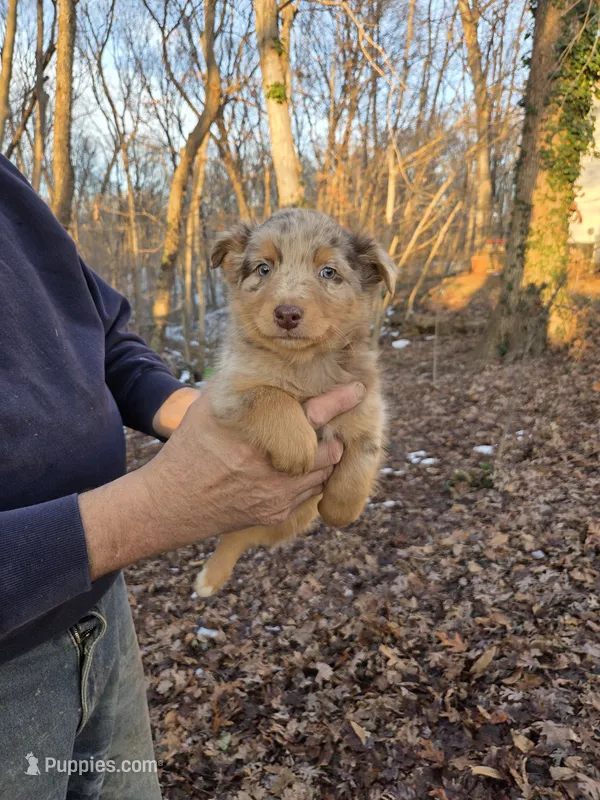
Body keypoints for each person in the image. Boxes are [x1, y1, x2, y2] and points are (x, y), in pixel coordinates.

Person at [0, 154, 365, 799]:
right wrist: (154, 508)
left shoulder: (8, 182)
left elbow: (103, 335)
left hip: (102, 618)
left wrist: (195, 413)